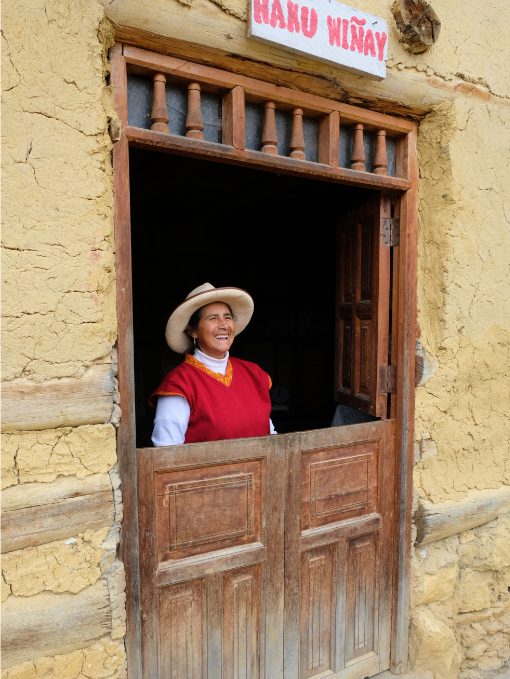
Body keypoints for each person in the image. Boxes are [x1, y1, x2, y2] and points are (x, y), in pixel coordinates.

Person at [150, 282, 277, 446]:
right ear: (193, 331)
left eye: (227, 317)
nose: (223, 325)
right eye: (213, 318)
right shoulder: (180, 383)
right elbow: (166, 452)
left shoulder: (254, 374)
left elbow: (271, 436)